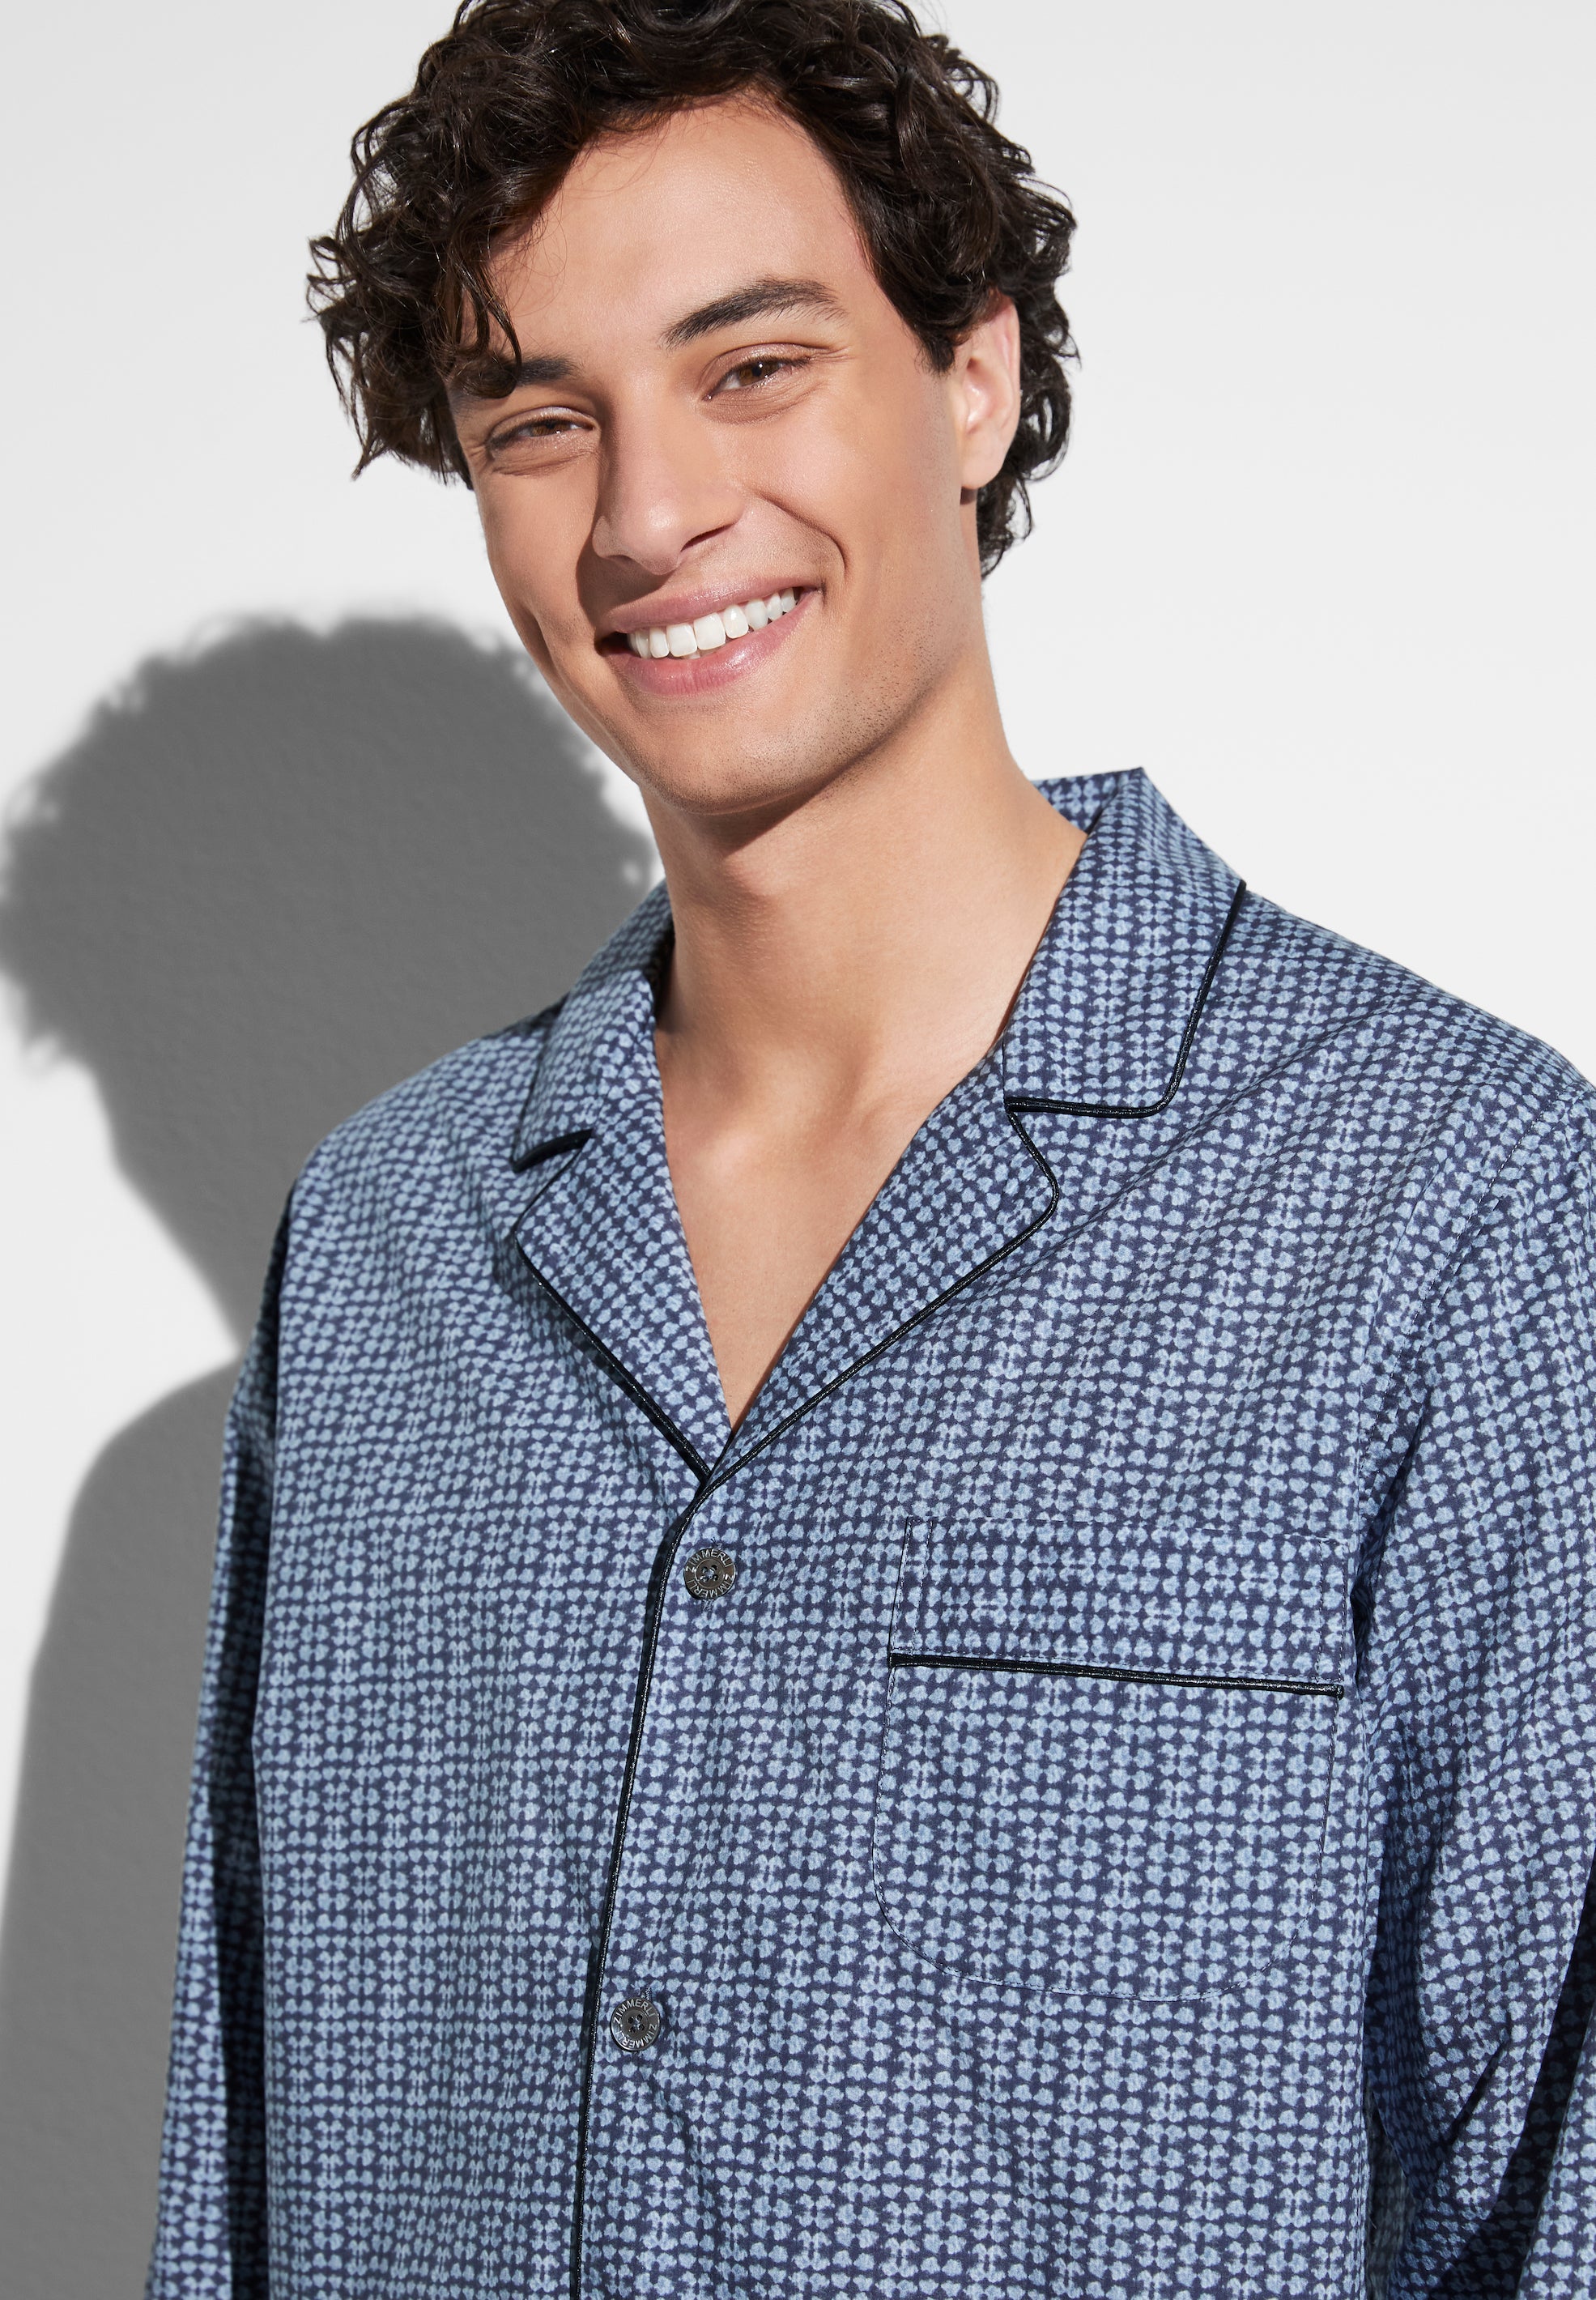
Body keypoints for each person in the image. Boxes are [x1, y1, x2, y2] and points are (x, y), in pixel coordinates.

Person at [146, 2, 1596, 2294]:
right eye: (541, 421)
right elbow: (244, 2160)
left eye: (751, 367)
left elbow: (1558, 2184)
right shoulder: (385, 1239)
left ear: (973, 379)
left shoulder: (1453, 1206)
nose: (647, 515)